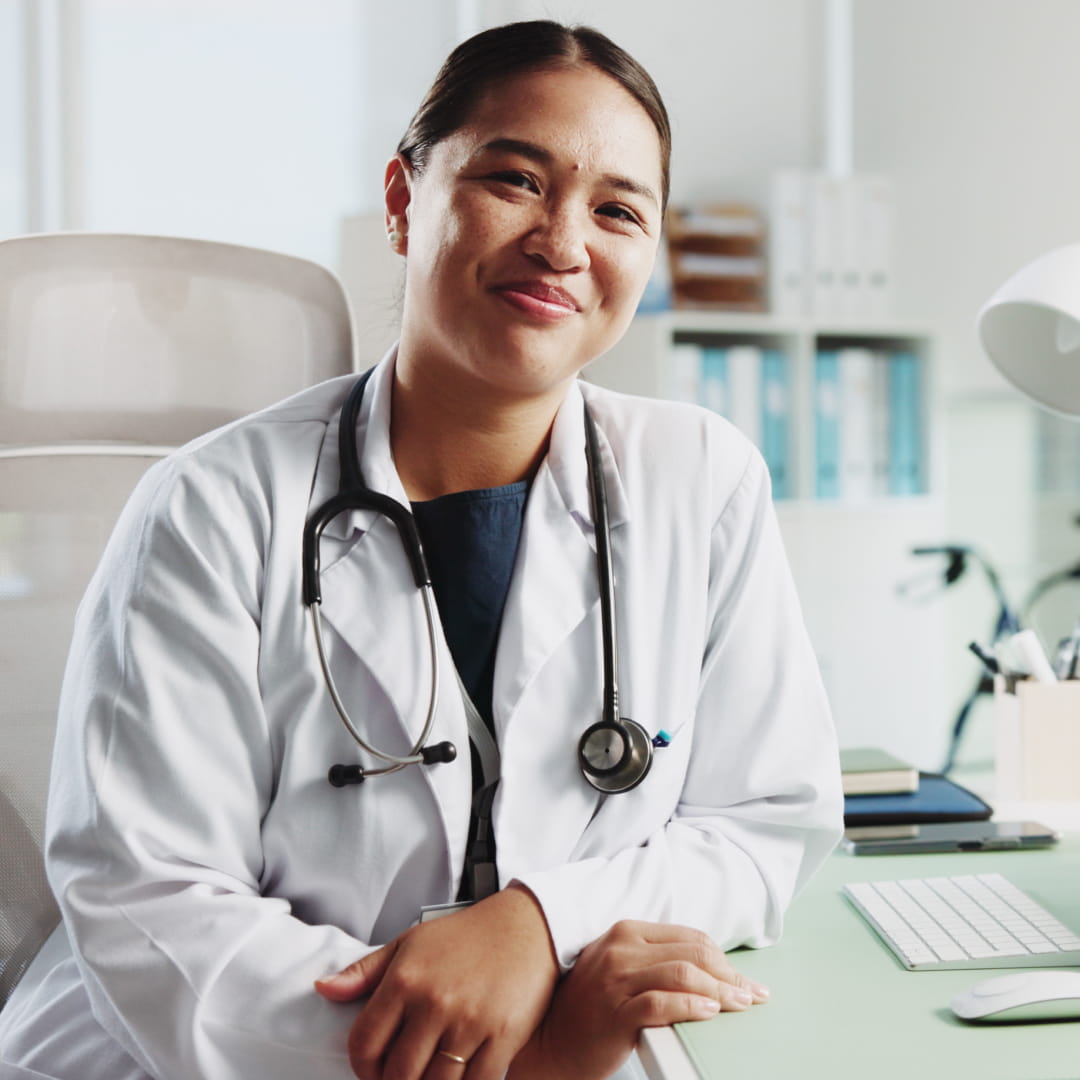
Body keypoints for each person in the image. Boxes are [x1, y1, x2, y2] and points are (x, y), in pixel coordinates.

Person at [0, 20, 842, 1080]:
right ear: (405, 201)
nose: (565, 242)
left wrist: (536, 924)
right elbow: (152, 911)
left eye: (617, 210)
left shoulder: (702, 481)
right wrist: (524, 1062)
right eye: (516, 180)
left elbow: (763, 821)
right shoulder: (208, 508)